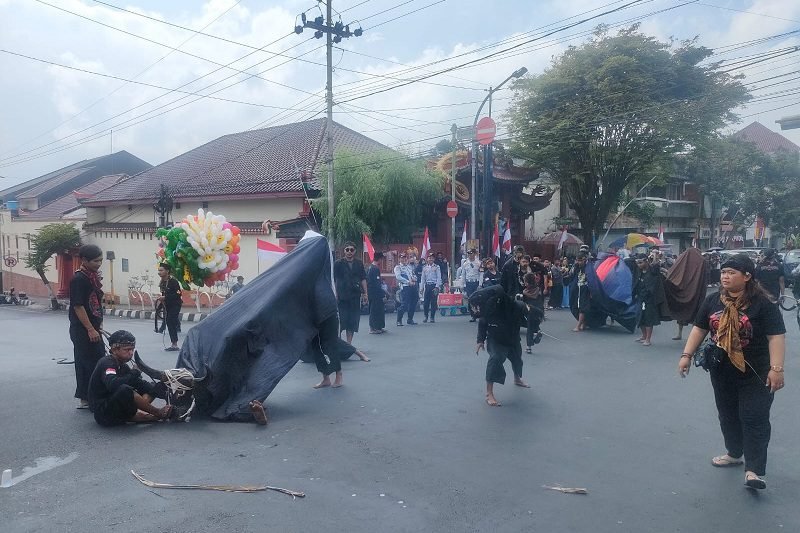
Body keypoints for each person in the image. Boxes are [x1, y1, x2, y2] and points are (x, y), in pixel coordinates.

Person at [678, 254, 785, 490]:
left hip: (756, 372)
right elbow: (700, 328)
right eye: (723, 272)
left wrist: (776, 369)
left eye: (731, 273)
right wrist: (686, 355)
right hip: (722, 370)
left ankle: (754, 471)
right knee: (727, 414)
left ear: (747, 277)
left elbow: (775, 336)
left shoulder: (763, 304)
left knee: (754, 417)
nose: (725, 276)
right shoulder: (714, 300)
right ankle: (734, 453)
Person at [87, 330, 173, 426]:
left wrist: (162, 392)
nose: (131, 353)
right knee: (125, 389)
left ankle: (141, 413)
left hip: (118, 406)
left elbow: (138, 383)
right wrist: (134, 372)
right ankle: (157, 412)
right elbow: (113, 384)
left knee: (152, 386)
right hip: (104, 413)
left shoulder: (122, 366)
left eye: (132, 349)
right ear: (115, 350)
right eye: (127, 350)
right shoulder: (107, 363)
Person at [471, 285, 530, 407]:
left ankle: (517, 379)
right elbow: (482, 322)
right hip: (495, 339)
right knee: (496, 359)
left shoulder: (516, 306)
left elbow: (531, 313)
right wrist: (480, 341)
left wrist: (535, 320)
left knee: (517, 359)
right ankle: (489, 394)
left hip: (512, 338)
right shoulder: (489, 307)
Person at [69, 244, 105, 409]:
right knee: (88, 363)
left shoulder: (92, 277)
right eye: (96, 261)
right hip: (83, 329)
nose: (99, 264)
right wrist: (90, 328)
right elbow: (78, 306)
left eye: (100, 260)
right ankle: (88, 398)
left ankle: (91, 396)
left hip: (93, 327)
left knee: (96, 361)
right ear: (84, 260)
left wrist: (99, 325)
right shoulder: (79, 279)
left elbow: (96, 303)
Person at [333, 242, 367, 344]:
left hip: (355, 296)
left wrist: (366, 293)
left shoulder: (359, 263)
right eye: (347, 249)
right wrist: (335, 293)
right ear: (344, 251)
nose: (349, 252)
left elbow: (363, 279)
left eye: (351, 250)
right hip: (342, 296)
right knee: (341, 320)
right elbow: (334, 279)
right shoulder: (338, 264)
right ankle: (338, 343)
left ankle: (349, 344)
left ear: (355, 251)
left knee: (352, 320)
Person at [633, 254, 665, 346]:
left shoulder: (652, 271)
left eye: (640, 262)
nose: (638, 264)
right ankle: (643, 336)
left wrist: (654, 256)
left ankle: (648, 339)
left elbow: (656, 265)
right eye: (637, 263)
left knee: (648, 318)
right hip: (640, 297)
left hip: (649, 299)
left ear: (646, 261)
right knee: (640, 317)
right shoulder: (639, 271)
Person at [157, 262, 183, 351]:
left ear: (167, 271)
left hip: (175, 304)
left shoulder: (173, 281)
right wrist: (160, 304)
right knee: (169, 322)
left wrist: (165, 297)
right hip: (167, 305)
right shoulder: (162, 282)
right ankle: (174, 344)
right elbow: (164, 295)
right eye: (158, 270)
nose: (159, 272)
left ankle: (175, 344)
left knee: (170, 321)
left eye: (161, 270)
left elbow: (178, 294)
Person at [565, 253, 589, 332]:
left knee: (582, 307)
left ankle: (578, 325)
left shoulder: (589, 267)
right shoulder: (575, 267)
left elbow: (592, 279)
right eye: (578, 260)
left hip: (585, 289)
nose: (579, 262)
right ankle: (583, 323)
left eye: (581, 260)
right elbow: (571, 276)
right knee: (574, 306)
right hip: (576, 289)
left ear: (584, 259)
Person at [522, 272, 544, 354]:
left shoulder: (525, 292)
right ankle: (538, 332)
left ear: (527, 282)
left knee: (529, 328)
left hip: (531, 311)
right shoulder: (538, 289)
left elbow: (523, 302)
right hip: (539, 311)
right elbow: (541, 300)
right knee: (535, 325)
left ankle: (529, 347)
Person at [393, 252, 418, 326]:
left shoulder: (409, 267)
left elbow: (414, 275)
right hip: (405, 287)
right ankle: (399, 320)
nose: (403, 259)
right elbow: (398, 277)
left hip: (413, 286)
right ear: (399, 259)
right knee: (405, 304)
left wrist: (414, 279)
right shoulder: (398, 267)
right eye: (402, 258)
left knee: (414, 302)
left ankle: (410, 319)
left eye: (404, 258)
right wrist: (408, 282)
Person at [366, 252, 386, 334]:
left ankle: (378, 326)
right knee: (374, 310)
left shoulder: (370, 267)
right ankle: (372, 328)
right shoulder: (375, 269)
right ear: (379, 259)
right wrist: (383, 293)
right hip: (375, 293)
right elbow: (376, 283)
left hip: (372, 292)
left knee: (378, 310)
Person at [420, 253, 442, 323]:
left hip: (434, 285)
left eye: (432, 258)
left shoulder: (437, 267)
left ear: (434, 259)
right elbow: (422, 279)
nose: (430, 259)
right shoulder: (424, 268)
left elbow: (439, 277)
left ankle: (432, 317)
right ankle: (426, 316)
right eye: (429, 258)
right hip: (427, 286)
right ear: (427, 259)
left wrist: (437, 287)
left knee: (433, 303)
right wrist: (421, 288)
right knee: (426, 302)